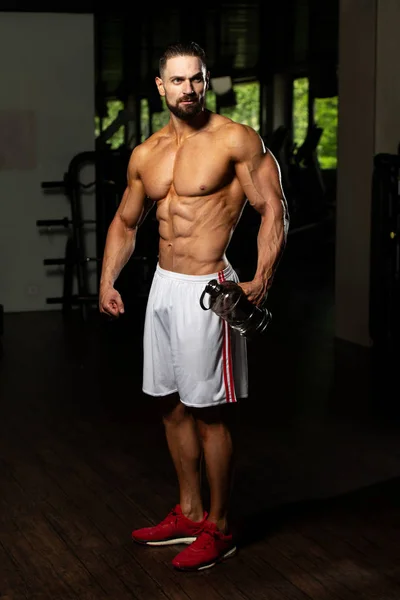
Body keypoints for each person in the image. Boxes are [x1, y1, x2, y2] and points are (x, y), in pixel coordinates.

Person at [99, 41, 289, 571]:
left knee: (210, 412)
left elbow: (273, 207)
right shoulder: (147, 152)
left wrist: (261, 277)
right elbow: (125, 221)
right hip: (163, 286)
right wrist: (107, 278)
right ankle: (188, 512)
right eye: (177, 81)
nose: (188, 89)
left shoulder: (235, 140)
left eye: (196, 79)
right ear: (160, 87)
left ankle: (220, 525)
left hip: (210, 289)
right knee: (170, 404)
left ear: (206, 82)